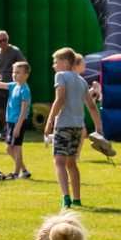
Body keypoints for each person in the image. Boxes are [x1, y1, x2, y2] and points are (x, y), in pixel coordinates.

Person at [46, 48, 100, 209]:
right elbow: (91, 106)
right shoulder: (81, 80)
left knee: (59, 162)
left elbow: (60, 99)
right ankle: (77, 198)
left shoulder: (61, 76)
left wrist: (49, 121)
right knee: (72, 163)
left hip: (63, 124)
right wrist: (98, 127)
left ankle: (66, 197)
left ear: (65, 62)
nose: (54, 65)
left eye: (56, 62)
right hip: (78, 126)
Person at [2, 60, 34, 180]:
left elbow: (24, 110)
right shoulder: (14, 86)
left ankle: (16, 173)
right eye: (14, 72)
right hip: (10, 122)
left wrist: (18, 126)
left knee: (15, 148)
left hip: (18, 122)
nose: (15, 74)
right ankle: (24, 170)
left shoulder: (24, 90)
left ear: (26, 75)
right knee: (10, 148)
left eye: (18, 72)